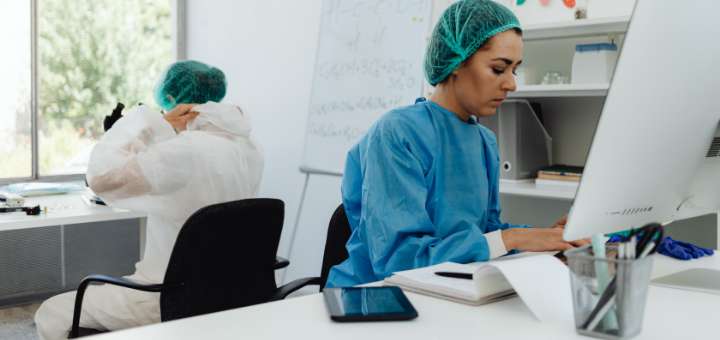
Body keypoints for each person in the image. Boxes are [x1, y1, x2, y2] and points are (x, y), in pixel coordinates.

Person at [326, 0, 586, 288]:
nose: (511, 84)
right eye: (499, 69)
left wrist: (545, 237)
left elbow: (486, 234)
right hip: (372, 297)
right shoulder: (397, 133)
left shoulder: (484, 141)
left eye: (515, 70)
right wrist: (514, 238)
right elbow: (398, 259)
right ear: (455, 62)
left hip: (445, 290)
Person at [34, 60, 264, 340]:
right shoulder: (249, 149)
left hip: (164, 296)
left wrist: (148, 124)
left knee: (52, 311)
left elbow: (102, 178)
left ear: (171, 99)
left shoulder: (184, 151)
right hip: (227, 293)